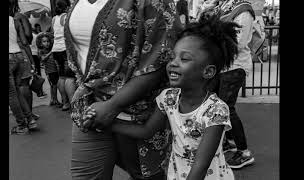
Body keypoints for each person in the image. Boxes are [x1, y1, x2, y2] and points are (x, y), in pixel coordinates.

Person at [87, 14, 238, 180]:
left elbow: (200, 167)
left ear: (208, 72)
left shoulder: (215, 111)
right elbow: (146, 131)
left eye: (184, 58)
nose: (173, 63)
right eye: (172, 57)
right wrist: (106, 124)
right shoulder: (169, 98)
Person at [64, 0, 181, 179]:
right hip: (90, 108)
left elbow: (161, 56)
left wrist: (113, 105)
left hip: (137, 110)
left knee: (144, 175)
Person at [200, 0, 256, 169]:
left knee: (227, 108)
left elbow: (239, 43)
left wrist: (213, 41)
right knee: (216, 103)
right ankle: (230, 141)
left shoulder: (243, 9)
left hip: (235, 66)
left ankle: (244, 152)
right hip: (223, 66)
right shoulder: (223, 6)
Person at [9, 0, 38, 135]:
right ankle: (30, 119)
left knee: (12, 94)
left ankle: (21, 125)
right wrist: (31, 61)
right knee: (18, 91)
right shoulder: (13, 20)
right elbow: (25, 40)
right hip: (19, 56)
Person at [51, 0, 75, 111]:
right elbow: (71, 31)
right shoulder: (66, 17)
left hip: (56, 50)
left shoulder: (54, 19)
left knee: (61, 76)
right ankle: (73, 105)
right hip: (65, 49)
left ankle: (65, 102)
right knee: (70, 77)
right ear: (67, 7)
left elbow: (52, 33)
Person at [37, 32, 61, 106]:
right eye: (44, 42)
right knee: (53, 85)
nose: (46, 43)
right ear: (40, 43)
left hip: (55, 70)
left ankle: (53, 99)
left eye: (47, 41)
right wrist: (51, 52)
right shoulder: (41, 51)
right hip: (50, 71)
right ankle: (54, 99)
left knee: (54, 85)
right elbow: (43, 59)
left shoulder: (50, 49)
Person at [31, 23, 47, 98]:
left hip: (30, 55)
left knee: (35, 74)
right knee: (38, 74)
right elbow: (38, 47)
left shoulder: (28, 36)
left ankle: (39, 91)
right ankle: (39, 92)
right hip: (35, 55)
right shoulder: (36, 36)